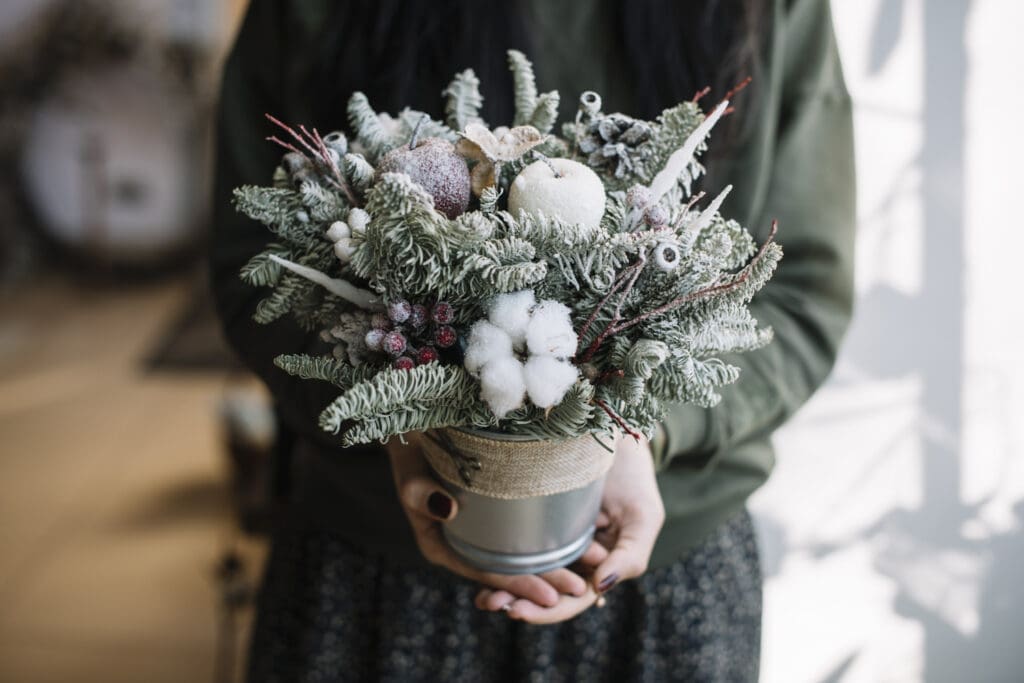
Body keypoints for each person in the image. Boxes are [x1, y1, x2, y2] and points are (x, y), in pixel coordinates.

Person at [209, 0, 855, 680]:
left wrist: (638, 432)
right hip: (370, 570)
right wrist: (401, 421)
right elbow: (252, 263)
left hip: (662, 581)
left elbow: (802, 294)